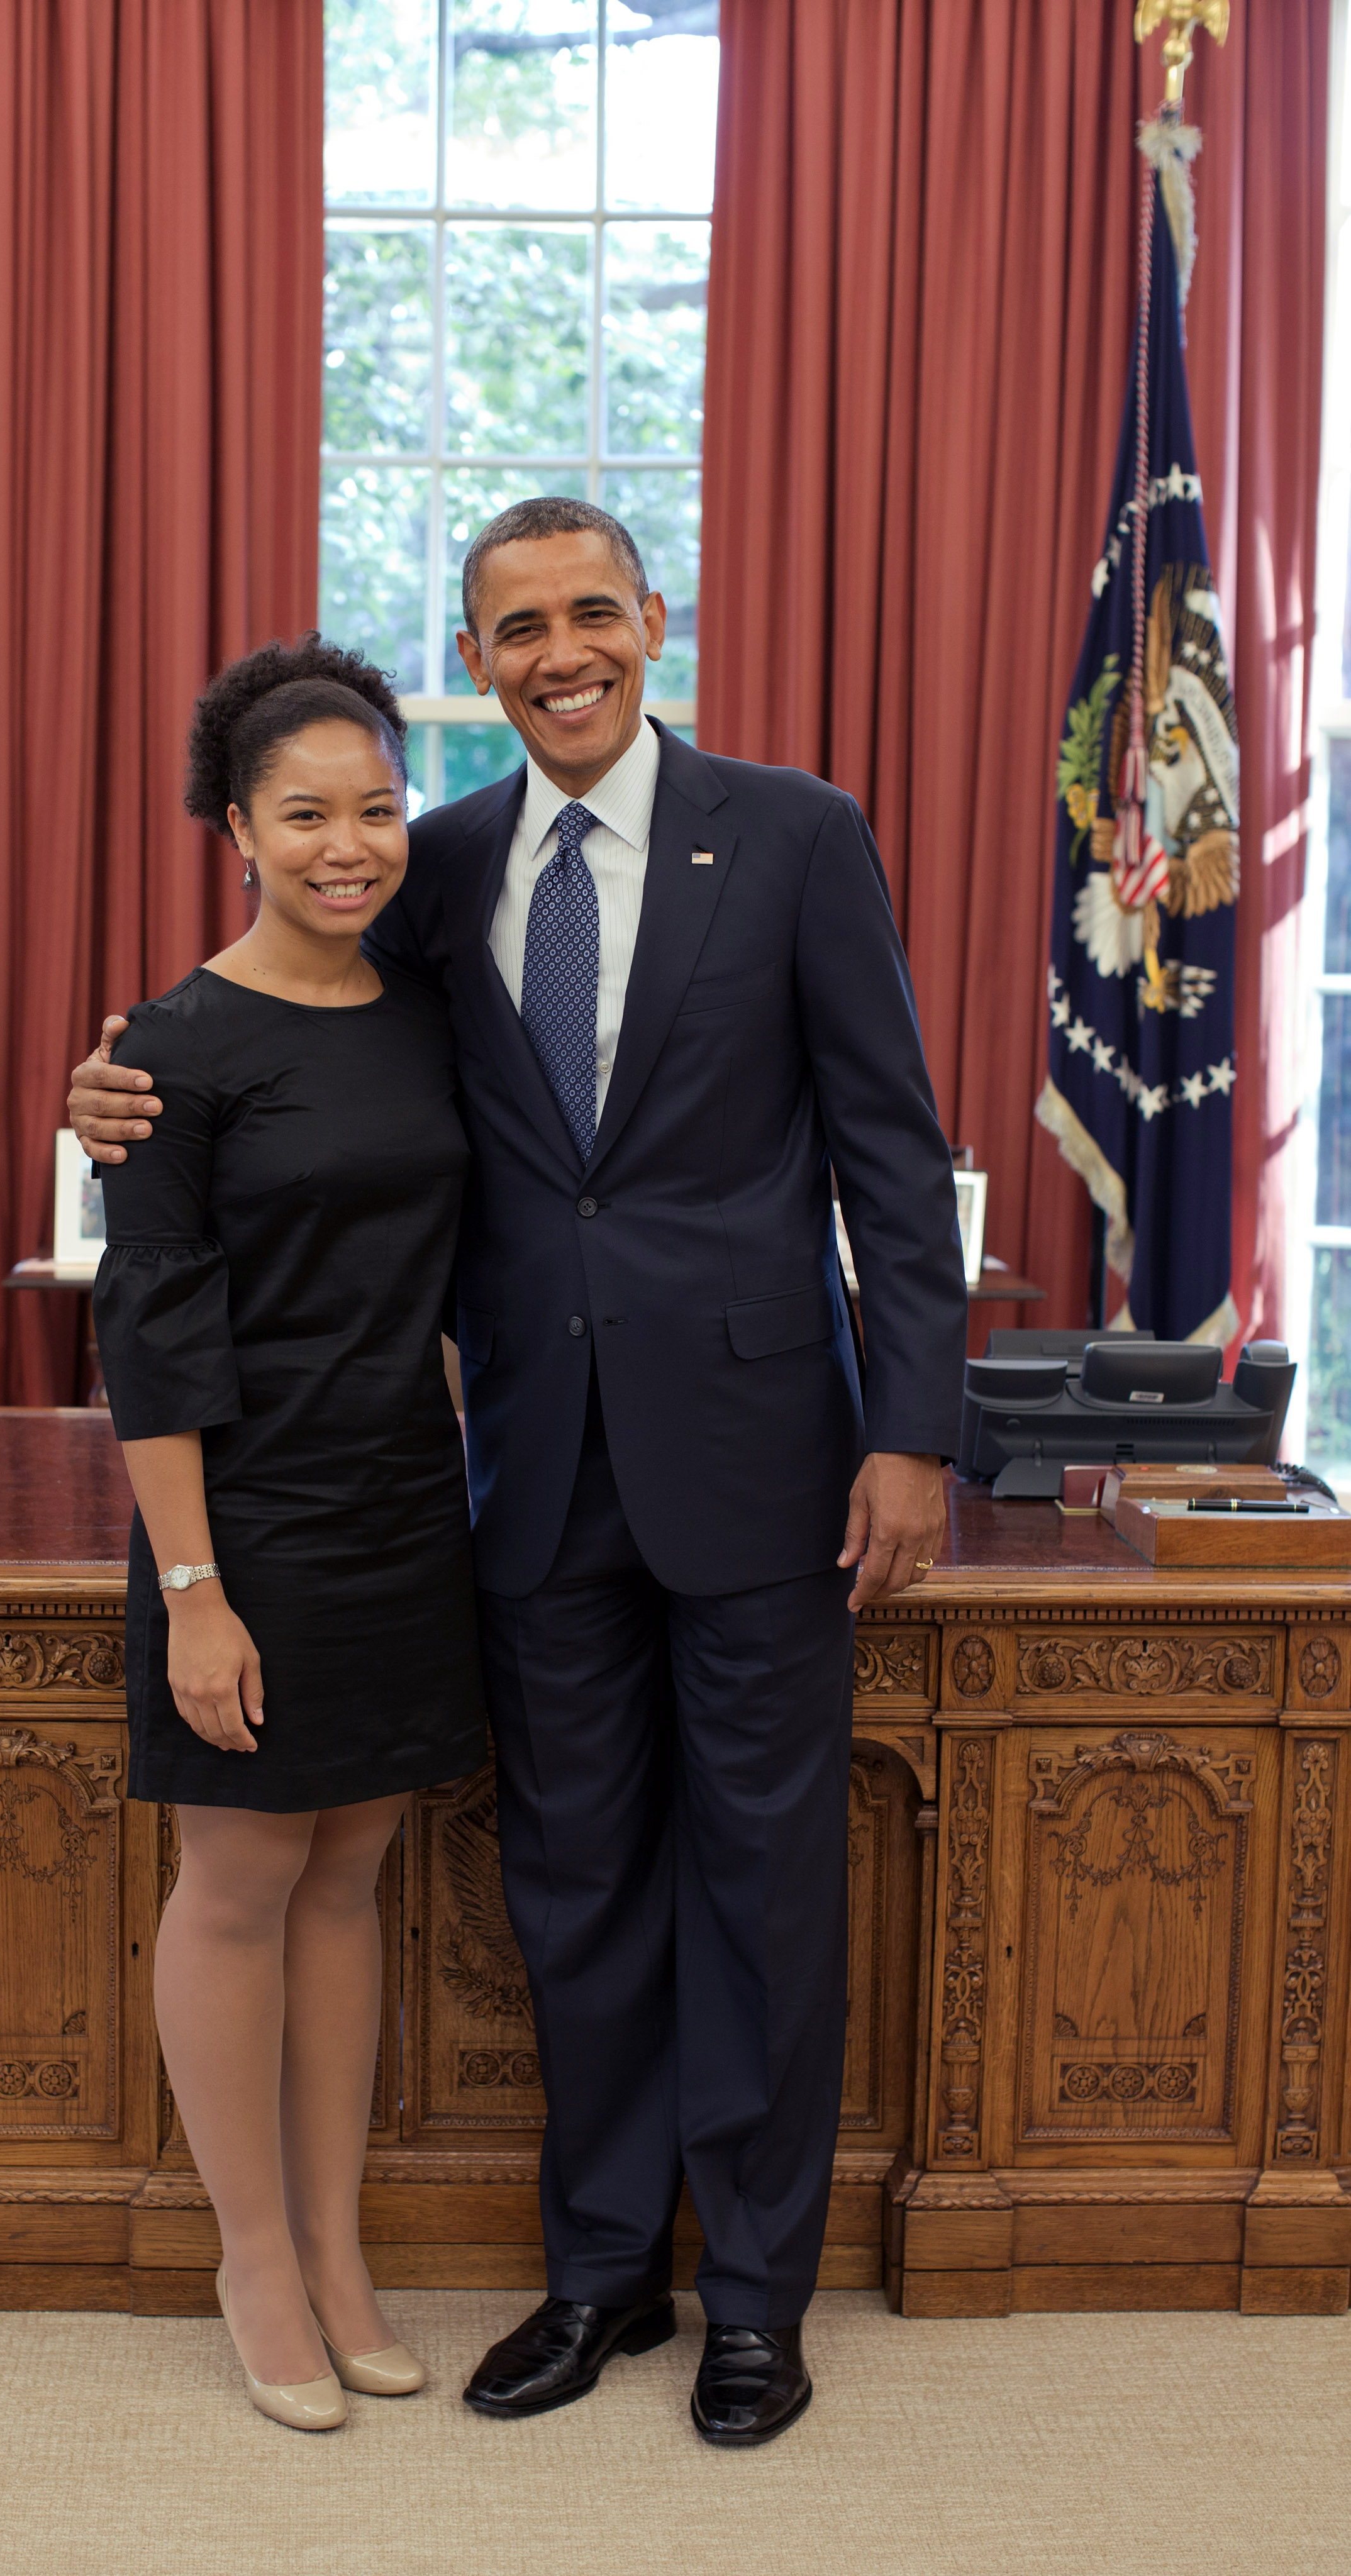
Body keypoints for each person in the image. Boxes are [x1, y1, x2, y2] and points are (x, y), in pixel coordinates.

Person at [72, 499, 967, 2449]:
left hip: (764, 1461)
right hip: (522, 1474)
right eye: (512, 629)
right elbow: (277, 1025)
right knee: (569, 1887)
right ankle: (593, 2281)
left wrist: (912, 1429)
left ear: (653, 621)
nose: (558, 652)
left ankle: (750, 2298)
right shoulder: (432, 857)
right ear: (471, 661)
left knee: (758, 1888)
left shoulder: (797, 835)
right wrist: (112, 1089)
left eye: (589, 614)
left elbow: (891, 1157)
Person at [90, 636, 487, 2433]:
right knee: (239, 1887)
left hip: (409, 1505)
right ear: (236, 828)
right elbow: (150, 1329)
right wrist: (191, 1594)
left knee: (351, 1883)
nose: (350, 844)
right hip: (241, 1519)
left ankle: (338, 2251)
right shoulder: (171, 1047)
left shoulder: (431, 1002)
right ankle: (250, 2255)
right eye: (306, 814)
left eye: (378, 808)